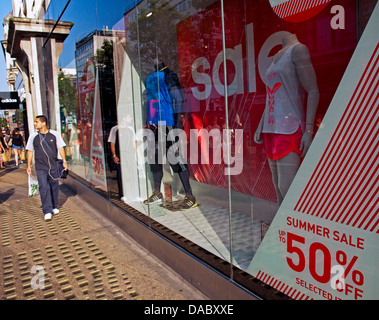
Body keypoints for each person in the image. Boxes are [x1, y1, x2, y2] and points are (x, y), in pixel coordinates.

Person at [254, 33, 319, 206]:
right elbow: (271, 95)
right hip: (270, 129)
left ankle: (297, 228)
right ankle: (281, 230)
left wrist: (309, 130)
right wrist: (261, 124)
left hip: (289, 127)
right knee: (277, 187)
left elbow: (313, 90)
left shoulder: (298, 50)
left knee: (287, 187)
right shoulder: (275, 57)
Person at [144, 60, 197, 209]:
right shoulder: (154, 78)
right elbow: (151, 101)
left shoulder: (168, 76)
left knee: (176, 158)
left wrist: (178, 126)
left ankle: (190, 196)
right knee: (154, 159)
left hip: (167, 123)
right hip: (156, 124)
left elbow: (178, 99)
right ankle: (157, 193)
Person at [26, 116, 68, 221]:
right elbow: (30, 151)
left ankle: (54, 206)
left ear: (43, 123)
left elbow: (60, 148)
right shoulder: (33, 136)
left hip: (53, 166)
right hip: (40, 167)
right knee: (44, 187)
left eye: (36, 122)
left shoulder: (54, 134)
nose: (35, 124)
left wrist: (64, 161)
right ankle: (47, 211)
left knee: (54, 186)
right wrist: (28, 166)